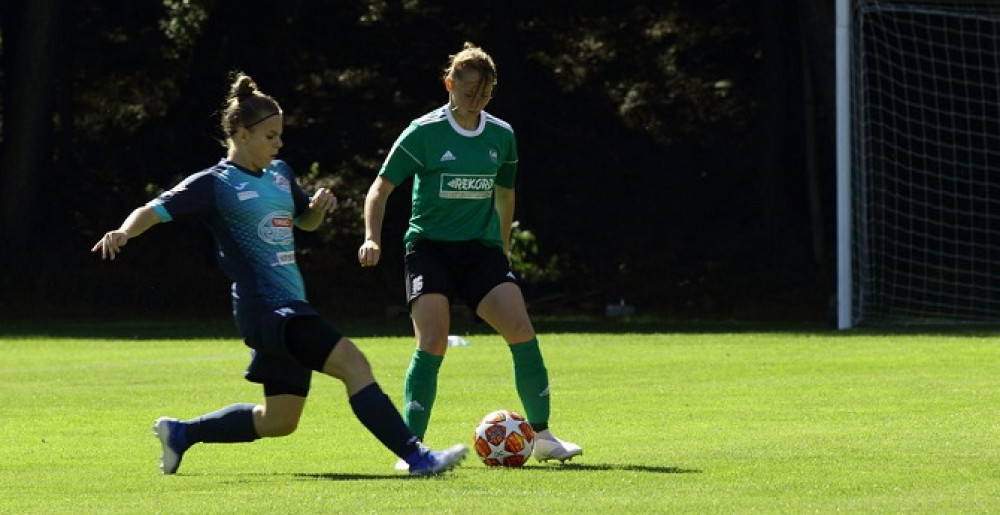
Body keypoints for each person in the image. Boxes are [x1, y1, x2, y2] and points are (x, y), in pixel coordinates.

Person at [91, 72, 467, 476]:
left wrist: (317, 210)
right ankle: (417, 457)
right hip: (268, 309)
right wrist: (123, 232)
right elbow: (152, 210)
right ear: (241, 134)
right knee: (353, 363)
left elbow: (305, 223)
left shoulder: (281, 173)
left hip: (287, 307)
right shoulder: (214, 184)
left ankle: (181, 433)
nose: (279, 143)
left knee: (279, 420)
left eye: (280, 135)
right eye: (270, 136)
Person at [358, 43, 582, 468]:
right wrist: (372, 238)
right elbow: (380, 189)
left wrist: (504, 246)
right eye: (469, 92)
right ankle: (412, 450)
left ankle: (543, 436)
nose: (477, 100)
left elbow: (505, 192)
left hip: (480, 252)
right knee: (433, 341)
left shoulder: (501, 135)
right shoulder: (423, 132)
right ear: (449, 85)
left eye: (486, 93)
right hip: (429, 250)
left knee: (521, 329)